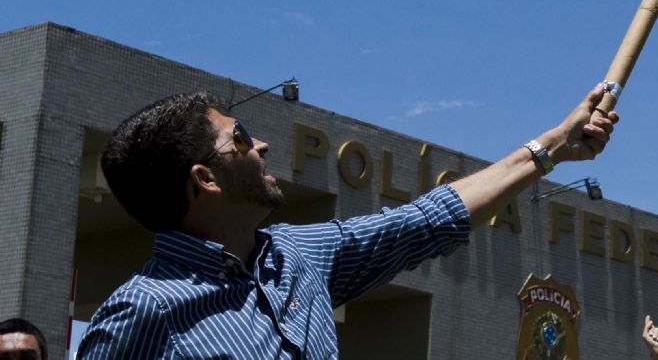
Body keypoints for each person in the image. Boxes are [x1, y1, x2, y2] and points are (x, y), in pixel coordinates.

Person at [78, 83, 618, 358]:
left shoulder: (298, 257)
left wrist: (553, 146)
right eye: (239, 138)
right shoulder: (140, 314)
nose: (261, 144)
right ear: (206, 178)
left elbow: (427, 220)